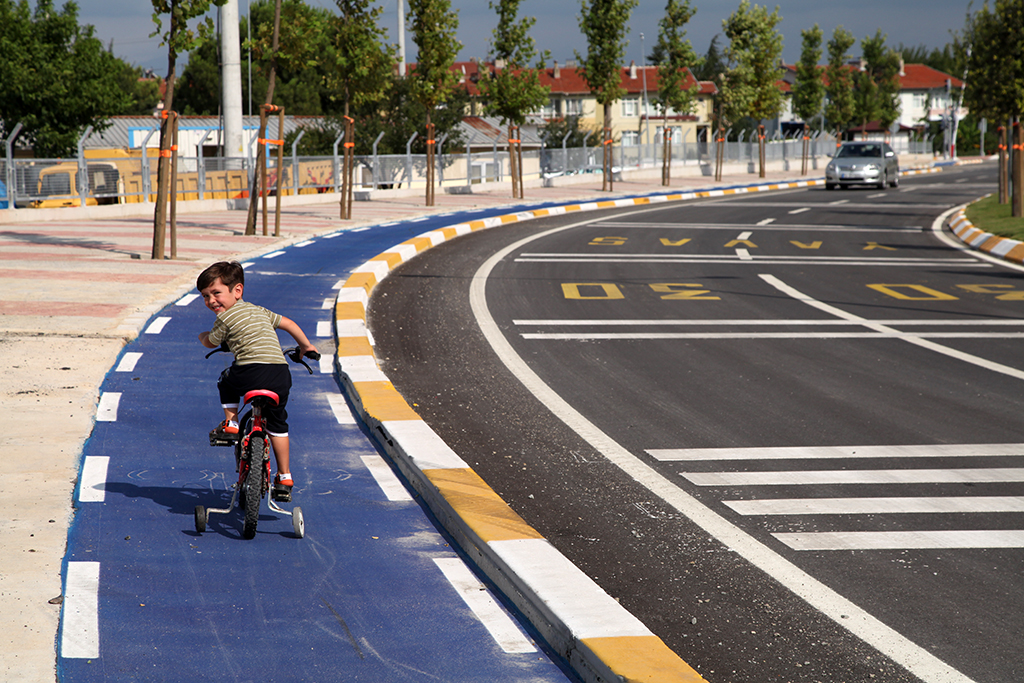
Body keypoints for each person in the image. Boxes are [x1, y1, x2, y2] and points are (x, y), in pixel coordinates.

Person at [196, 261, 318, 501]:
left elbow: (211, 341)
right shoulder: (261, 311)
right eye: (205, 296)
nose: (211, 301)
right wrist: (306, 347)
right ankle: (285, 477)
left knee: (226, 381)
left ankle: (231, 423)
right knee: (278, 426)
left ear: (237, 291)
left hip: (249, 372)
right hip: (280, 375)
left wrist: (203, 337)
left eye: (216, 293)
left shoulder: (225, 319)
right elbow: (289, 324)